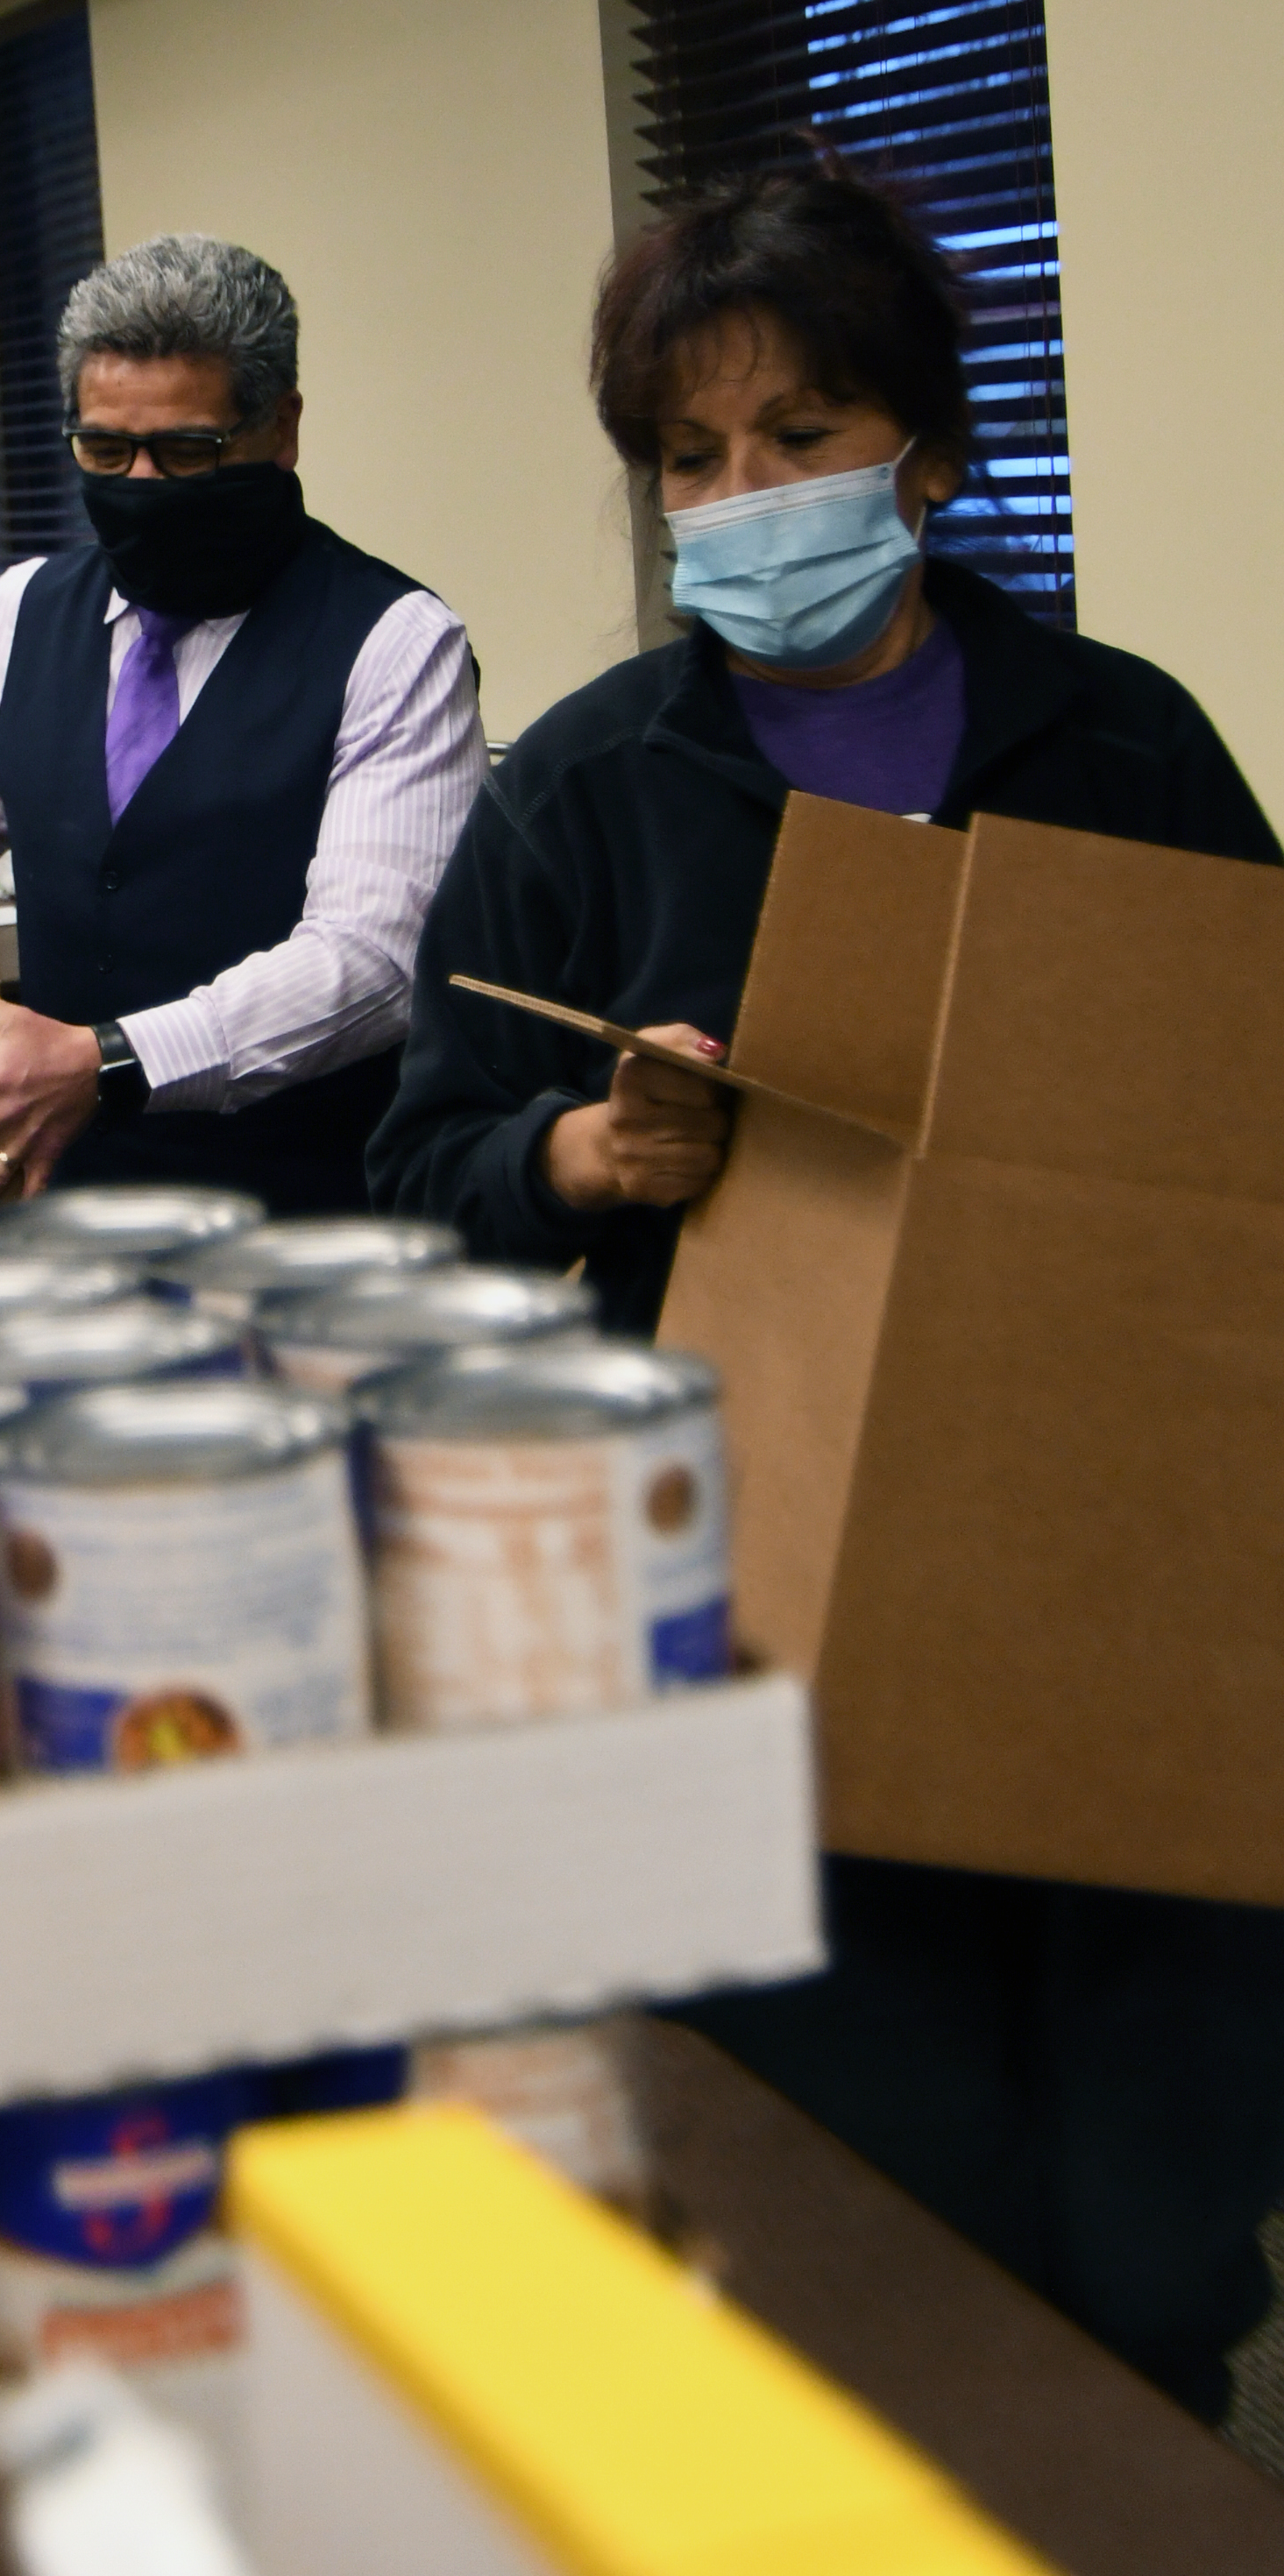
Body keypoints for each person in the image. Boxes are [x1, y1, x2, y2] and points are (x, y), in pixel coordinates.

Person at [371, 160, 1284, 2421]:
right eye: (690, 457)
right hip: (760, 1586)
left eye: (798, 435)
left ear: (926, 453)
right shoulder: (589, 789)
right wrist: (586, 1154)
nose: (742, 495)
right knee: (872, 2208)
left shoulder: (1120, 742)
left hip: (1110, 1574)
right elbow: (415, 1173)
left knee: (1150, 2213)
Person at [0, 236, 484, 1220]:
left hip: (297, 1207)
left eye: (187, 452)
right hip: (56, 1195)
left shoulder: (395, 643)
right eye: (105, 452)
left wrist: (112, 1058)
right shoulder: (26, 609)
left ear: (281, 428)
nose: (141, 483)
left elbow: (374, 959)